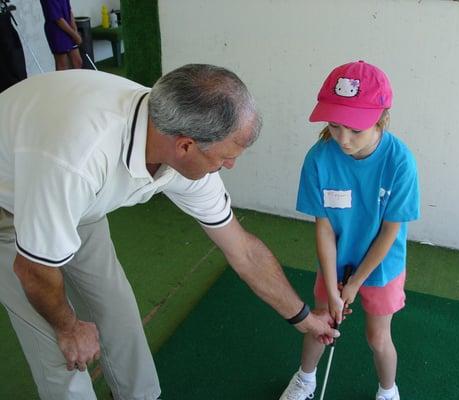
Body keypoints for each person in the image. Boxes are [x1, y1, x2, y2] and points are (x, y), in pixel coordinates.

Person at [0, 65, 339, 400]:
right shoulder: (79, 158)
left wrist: (304, 319)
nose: (230, 166)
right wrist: (69, 327)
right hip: (9, 207)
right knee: (61, 353)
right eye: (225, 158)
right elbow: (33, 270)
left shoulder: (173, 134)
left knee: (117, 313)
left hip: (79, 199)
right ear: (186, 146)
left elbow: (244, 251)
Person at [279, 60, 420, 400]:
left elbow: (389, 232)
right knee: (320, 324)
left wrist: (355, 283)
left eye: (356, 130)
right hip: (335, 264)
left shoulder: (400, 162)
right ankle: (305, 380)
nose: (343, 139)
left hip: (381, 267)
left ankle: (388, 390)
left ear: (381, 118)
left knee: (378, 338)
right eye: (335, 125)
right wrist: (331, 285)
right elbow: (324, 228)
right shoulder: (319, 158)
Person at [39, 0, 82, 70]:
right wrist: (75, 35)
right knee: (63, 64)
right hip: (56, 31)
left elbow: (69, 10)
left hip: (69, 26)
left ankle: (76, 81)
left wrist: (75, 29)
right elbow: (58, 19)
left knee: (77, 62)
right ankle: (63, 81)